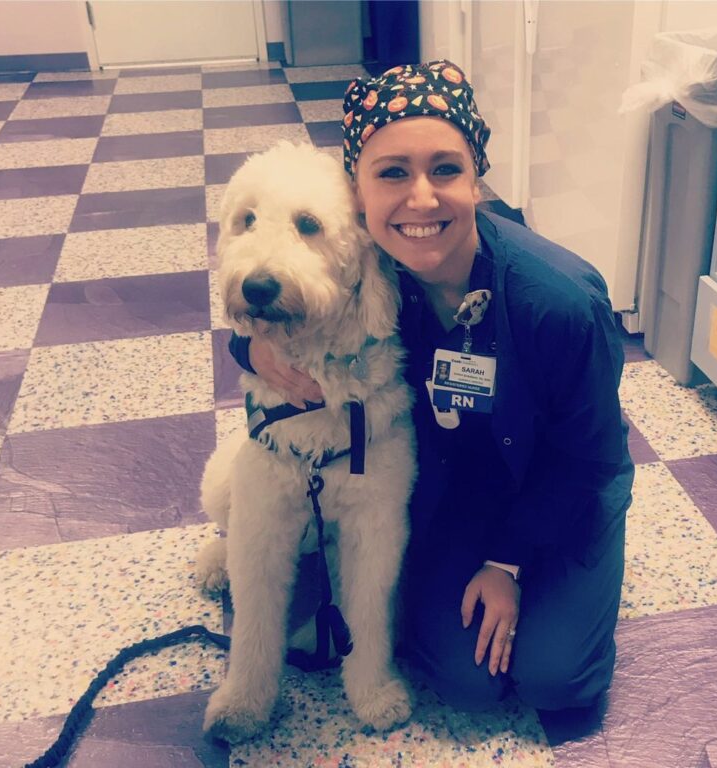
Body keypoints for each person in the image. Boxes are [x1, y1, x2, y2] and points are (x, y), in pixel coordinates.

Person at [228, 60, 634, 715]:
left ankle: (536, 575)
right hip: (455, 490)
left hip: (554, 490)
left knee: (557, 678)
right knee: (465, 677)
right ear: (358, 195)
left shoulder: (558, 301)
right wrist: (249, 344)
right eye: (392, 172)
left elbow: (589, 458)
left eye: (445, 168)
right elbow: (279, 292)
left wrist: (507, 564)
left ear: (477, 179)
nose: (420, 199)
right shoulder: (372, 269)